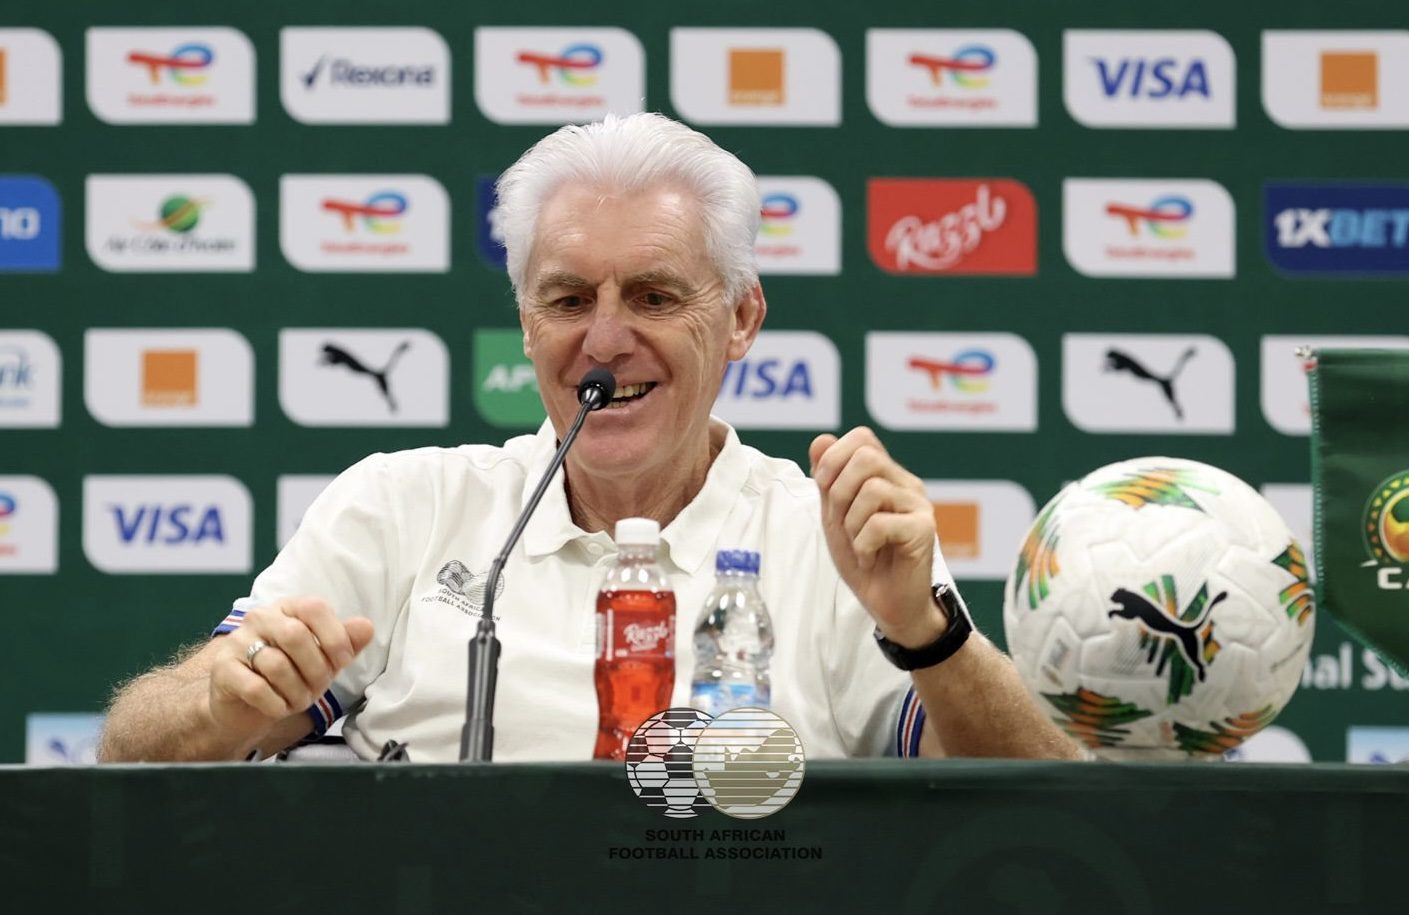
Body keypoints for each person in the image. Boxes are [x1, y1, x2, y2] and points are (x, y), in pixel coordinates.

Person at [98, 113, 1080, 764]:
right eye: (569, 300)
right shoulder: (403, 506)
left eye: (653, 296)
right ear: (526, 326)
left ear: (741, 318)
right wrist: (221, 706)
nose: (605, 340)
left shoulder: (827, 538)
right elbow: (131, 753)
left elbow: (1045, 805)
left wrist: (927, 635)